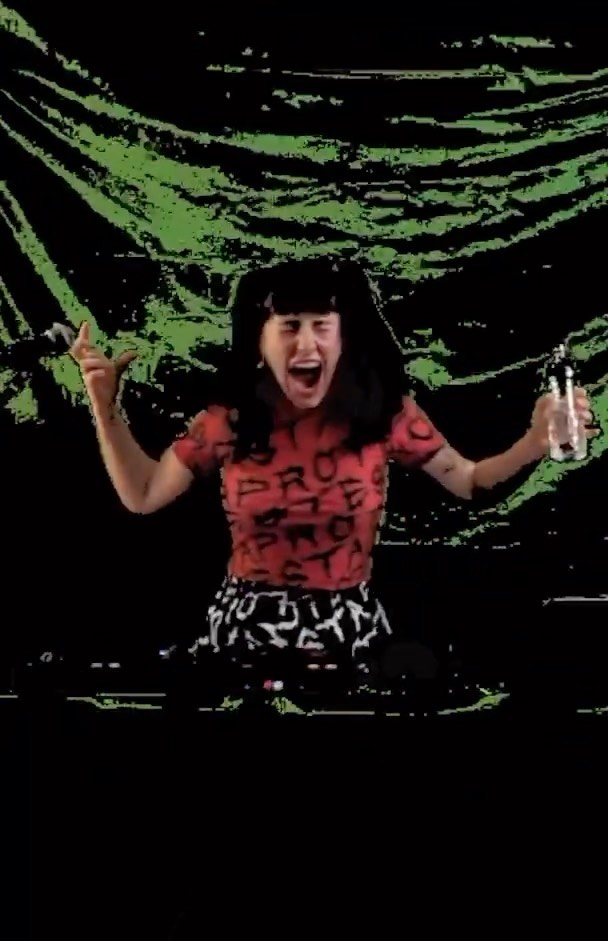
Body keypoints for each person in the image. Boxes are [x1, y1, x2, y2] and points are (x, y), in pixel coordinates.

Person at [69, 257, 595, 671]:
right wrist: (105, 408)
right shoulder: (228, 421)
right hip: (245, 633)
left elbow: (471, 482)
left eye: (322, 325)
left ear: (344, 336)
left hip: (351, 631)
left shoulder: (385, 413)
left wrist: (534, 442)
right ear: (259, 341)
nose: (307, 343)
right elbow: (143, 495)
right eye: (289, 326)